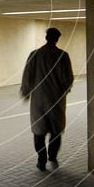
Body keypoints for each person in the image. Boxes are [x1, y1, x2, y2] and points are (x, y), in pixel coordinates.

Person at [20, 27, 74, 171]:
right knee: (56, 131)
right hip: (56, 101)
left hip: (38, 101)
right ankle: (52, 155)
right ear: (57, 39)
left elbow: (27, 76)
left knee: (39, 131)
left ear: (46, 38)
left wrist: (26, 92)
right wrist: (64, 91)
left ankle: (41, 159)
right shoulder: (63, 56)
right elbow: (68, 79)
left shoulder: (35, 55)